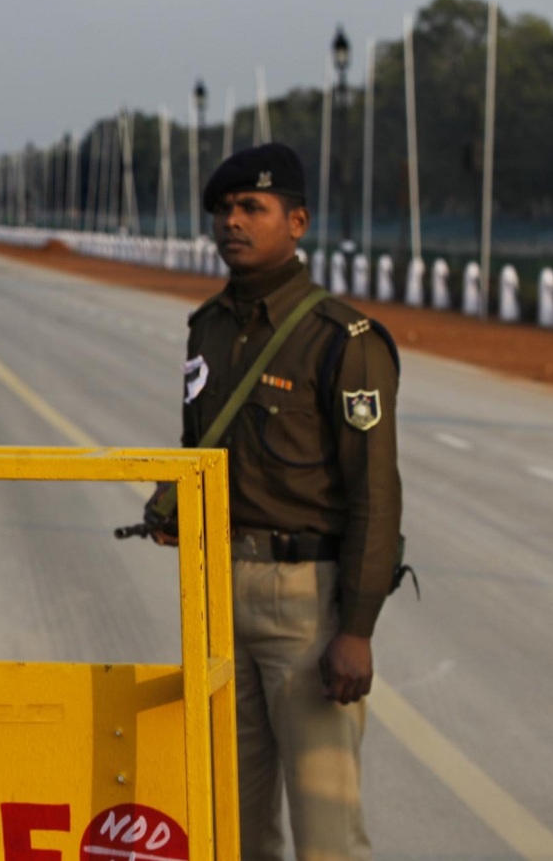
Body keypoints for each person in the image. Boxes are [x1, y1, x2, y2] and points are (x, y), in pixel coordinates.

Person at [143, 143, 401, 861]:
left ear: (297, 223)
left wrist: (357, 628)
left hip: (305, 604)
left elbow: (376, 494)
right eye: (224, 209)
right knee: (231, 822)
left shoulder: (341, 340)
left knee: (326, 830)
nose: (232, 221)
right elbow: (199, 445)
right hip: (220, 589)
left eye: (251, 207)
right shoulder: (208, 327)